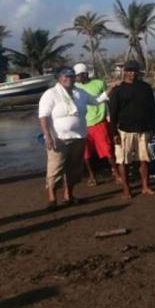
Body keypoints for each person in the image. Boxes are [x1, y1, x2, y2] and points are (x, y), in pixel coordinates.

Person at [39, 67, 108, 209]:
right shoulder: (51, 94)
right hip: (59, 138)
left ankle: (68, 196)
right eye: (65, 76)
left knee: (74, 169)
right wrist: (47, 136)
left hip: (79, 137)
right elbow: (43, 116)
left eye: (71, 76)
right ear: (59, 78)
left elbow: (96, 101)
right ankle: (52, 199)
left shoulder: (80, 93)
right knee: (55, 168)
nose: (68, 78)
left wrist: (111, 89)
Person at [109, 59, 155, 198]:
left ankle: (145, 186)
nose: (132, 73)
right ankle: (126, 189)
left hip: (143, 130)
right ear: (124, 72)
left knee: (144, 159)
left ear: (139, 72)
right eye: (129, 71)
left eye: (135, 71)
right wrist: (114, 133)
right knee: (123, 161)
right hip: (124, 131)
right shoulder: (117, 90)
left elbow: (153, 109)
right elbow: (112, 113)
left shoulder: (146, 88)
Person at [73, 63, 118, 186]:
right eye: (75, 76)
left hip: (99, 123)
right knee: (86, 154)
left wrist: (111, 119)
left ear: (85, 74)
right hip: (83, 125)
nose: (77, 78)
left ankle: (116, 173)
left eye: (78, 76)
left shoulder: (99, 83)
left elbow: (106, 100)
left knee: (108, 150)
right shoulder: (74, 87)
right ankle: (92, 176)